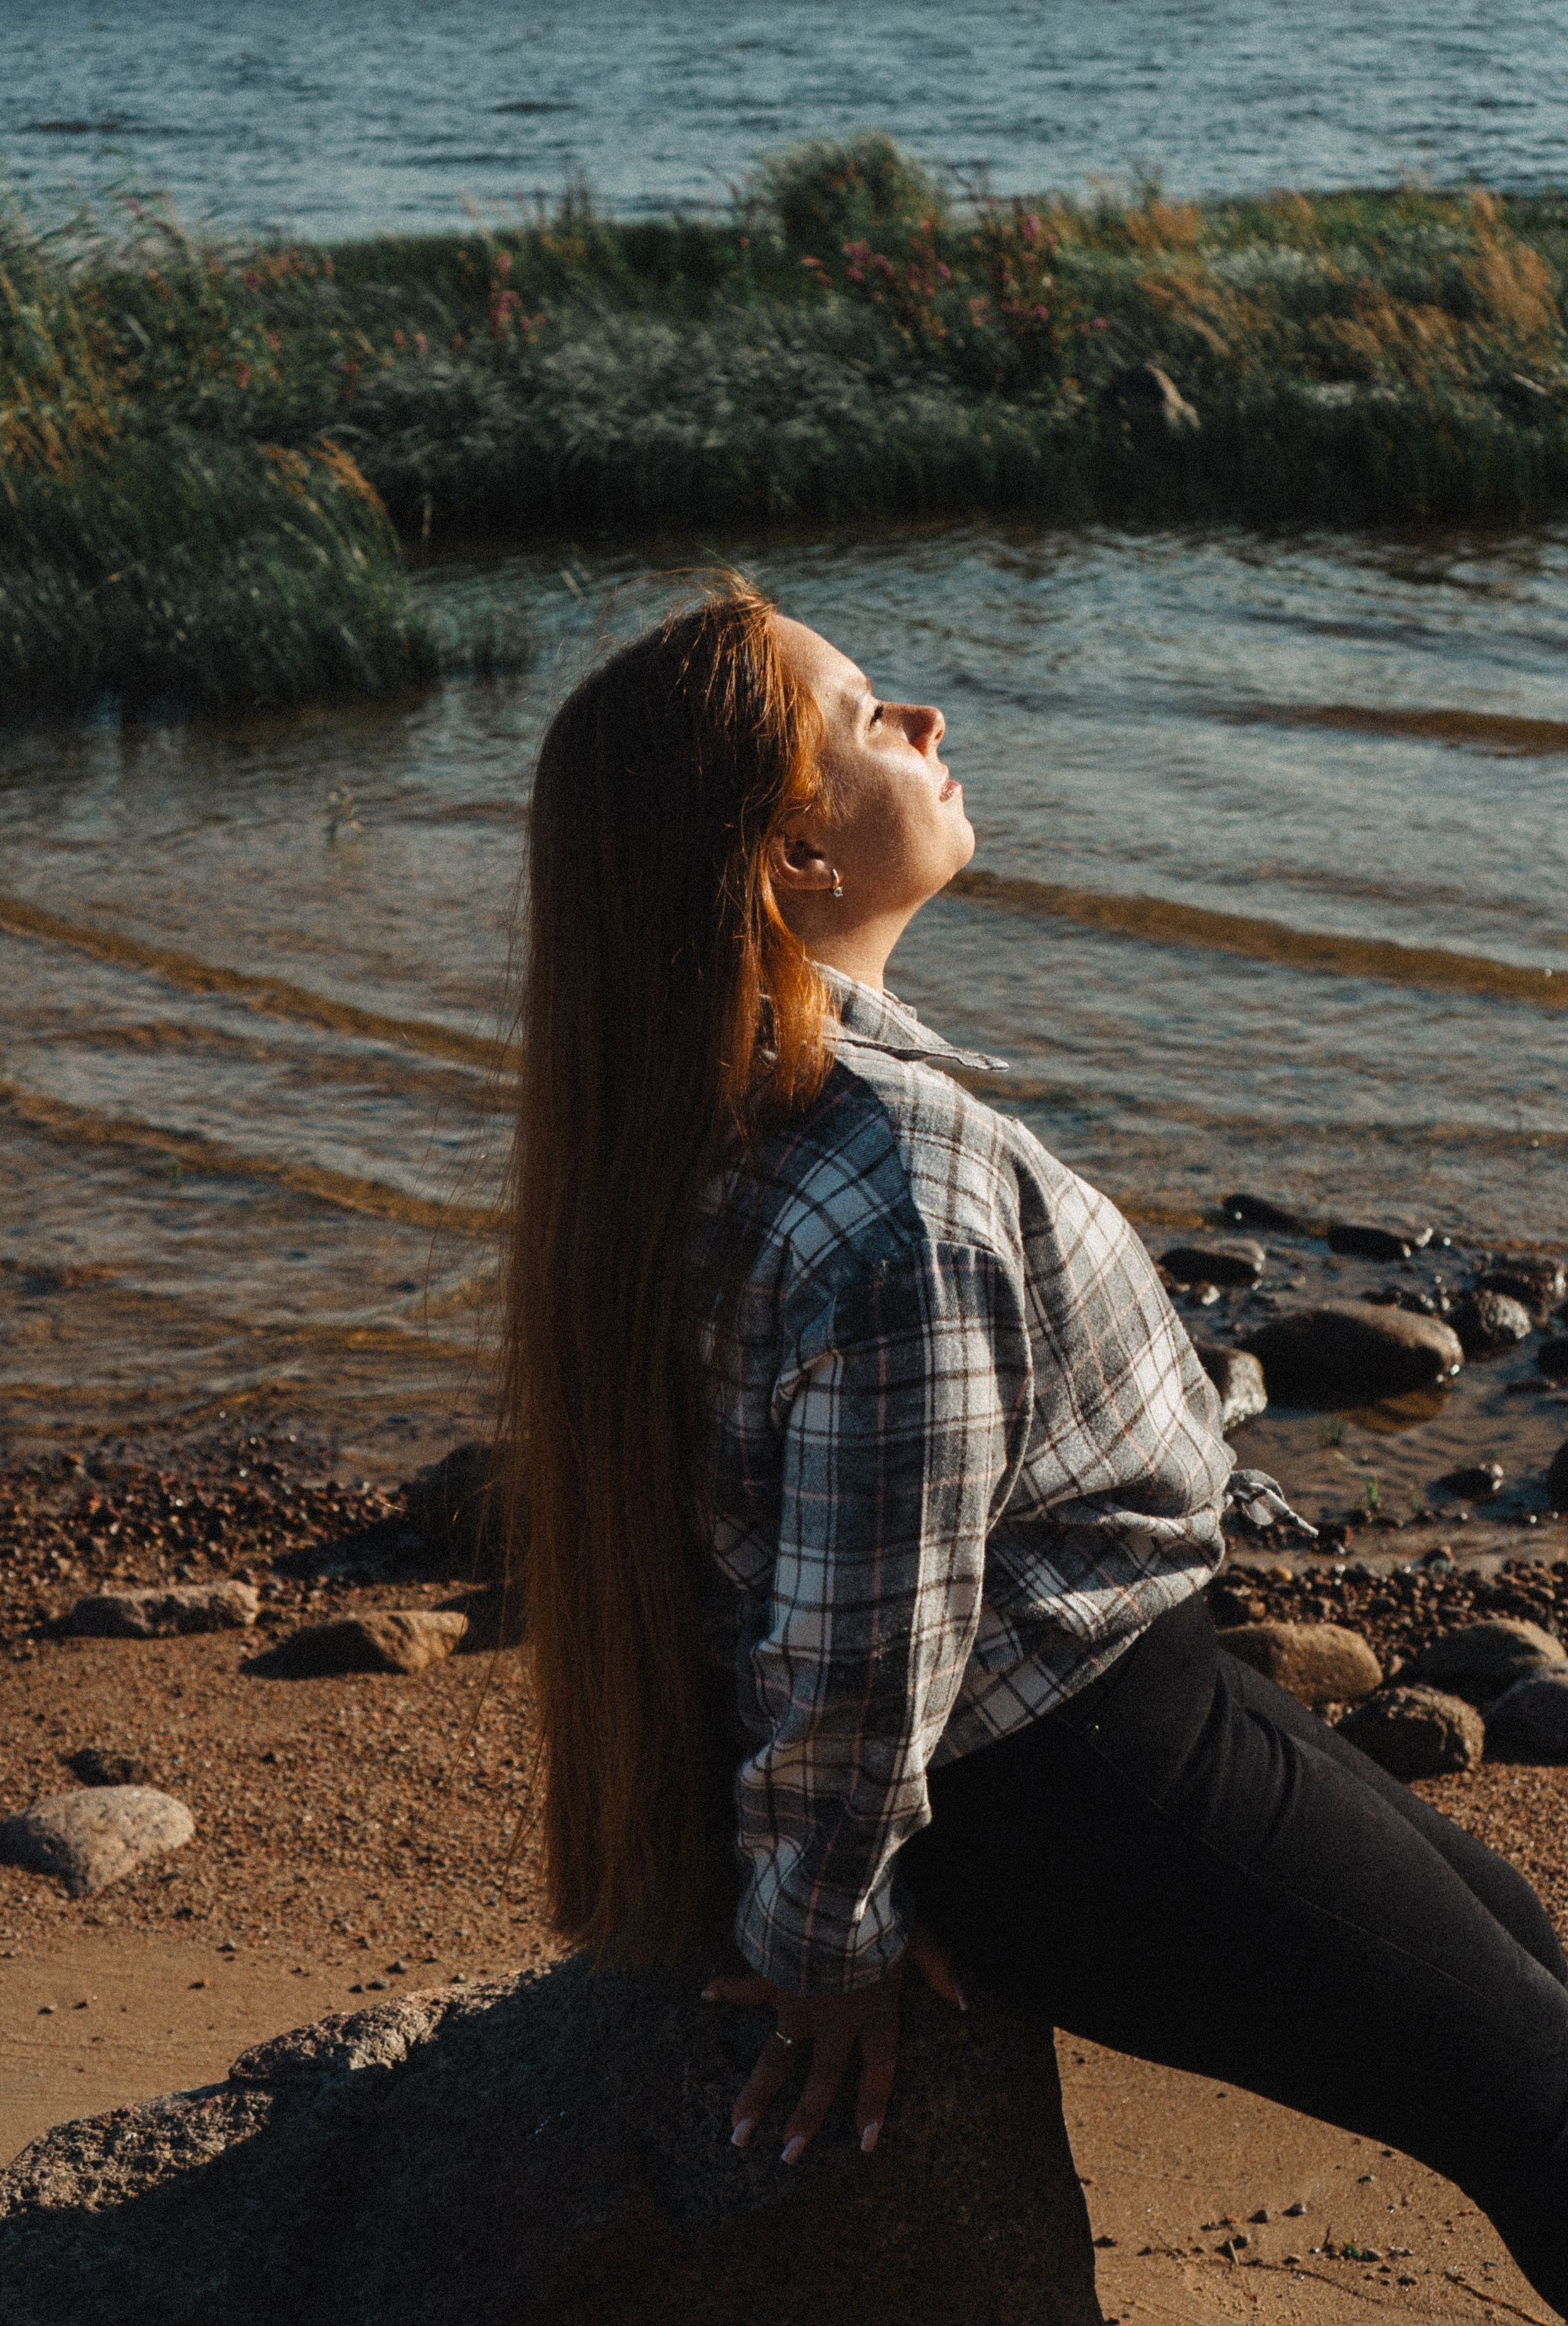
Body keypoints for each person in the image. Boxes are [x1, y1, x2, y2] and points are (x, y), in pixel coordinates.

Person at [502, 580, 1568, 2314]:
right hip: (1078, 1768)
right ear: (793, 862)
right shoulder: (896, 1186)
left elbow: (760, 1551)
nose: (922, 718)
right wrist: (827, 1941)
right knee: (1538, 2101)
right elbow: (866, 1629)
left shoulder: (695, 1119)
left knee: (1516, 1960)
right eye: (865, 717)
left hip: (1085, 1727)